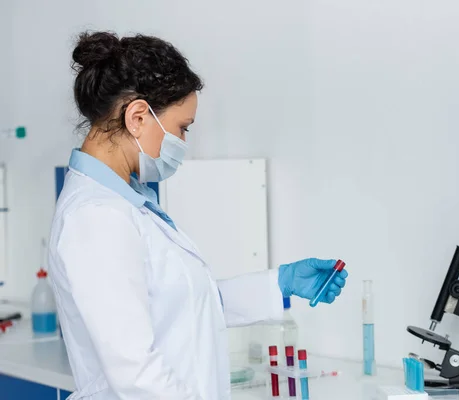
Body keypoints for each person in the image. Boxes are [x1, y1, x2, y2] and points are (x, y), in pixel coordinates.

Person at [47, 31, 348, 400]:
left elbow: (180, 306)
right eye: (181, 129)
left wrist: (279, 284)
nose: (182, 144)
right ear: (138, 116)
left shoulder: (125, 201)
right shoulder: (95, 217)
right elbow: (137, 374)